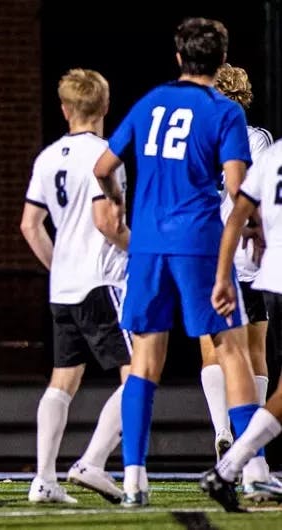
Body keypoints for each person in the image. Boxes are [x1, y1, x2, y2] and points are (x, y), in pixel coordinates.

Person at [93, 18, 257, 508]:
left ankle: (133, 480)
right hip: (198, 242)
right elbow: (235, 188)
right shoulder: (224, 112)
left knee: (144, 360)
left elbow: (104, 168)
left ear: (179, 57)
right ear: (220, 59)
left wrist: (118, 200)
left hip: (146, 245)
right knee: (232, 350)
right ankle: (251, 471)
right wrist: (255, 226)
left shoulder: (149, 102)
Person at [21, 69, 131, 505]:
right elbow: (107, 224)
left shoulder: (47, 158)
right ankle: (94, 462)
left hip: (64, 287)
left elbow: (31, 225)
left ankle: (44, 479)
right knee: (139, 373)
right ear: (104, 107)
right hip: (102, 281)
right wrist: (141, 250)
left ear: (65, 110)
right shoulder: (105, 155)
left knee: (62, 380)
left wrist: (59, 266)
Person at [198, 63, 275, 498]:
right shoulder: (257, 138)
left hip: (205, 251)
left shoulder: (198, 135)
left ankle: (221, 430)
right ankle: (247, 448)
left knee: (212, 347)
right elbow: (255, 191)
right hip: (247, 252)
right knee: (253, 350)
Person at [203, 137, 282, 511]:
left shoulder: (275, 151)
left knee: (220, 352)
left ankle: (230, 453)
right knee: (252, 357)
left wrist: (220, 272)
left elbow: (238, 210)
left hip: (244, 262)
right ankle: (245, 464)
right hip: (260, 266)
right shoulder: (261, 142)